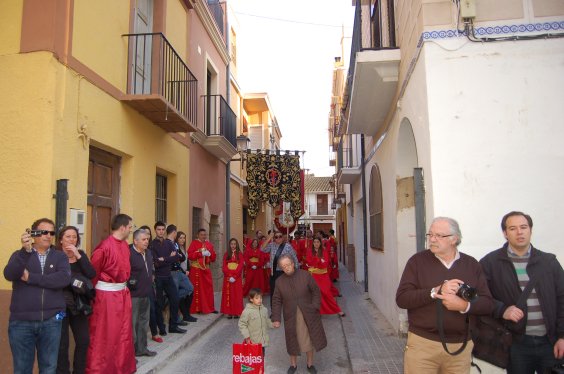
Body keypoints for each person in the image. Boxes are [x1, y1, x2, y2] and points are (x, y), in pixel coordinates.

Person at [396, 216, 493, 374]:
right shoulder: (417, 262)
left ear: (454, 239)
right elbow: (402, 299)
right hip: (423, 345)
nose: (432, 239)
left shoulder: (471, 264)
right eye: (430, 235)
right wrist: (434, 291)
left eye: (439, 236)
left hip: (460, 347)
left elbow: (488, 304)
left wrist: (463, 305)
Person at [480, 211, 564, 373]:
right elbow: (479, 297)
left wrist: (563, 336)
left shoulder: (548, 262)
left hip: (550, 342)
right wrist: (502, 309)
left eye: (523, 227)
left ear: (530, 230)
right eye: (513, 228)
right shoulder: (490, 263)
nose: (519, 232)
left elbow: (563, 298)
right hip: (515, 344)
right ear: (505, 233)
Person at [4, 218, 71, 374]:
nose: (48, 235)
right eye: (43, 232)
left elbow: (63, 279)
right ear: (33, 234)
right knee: (22, 369)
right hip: (21, 322)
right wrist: (24, 252)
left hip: (52, 321)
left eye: (51, 232)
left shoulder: (60, 256)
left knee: (49, 368)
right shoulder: (20, 255)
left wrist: (31, 278)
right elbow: (9, 274)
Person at [86, 214, 136, 374]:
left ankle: (121, 367)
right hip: (106, 299)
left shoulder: (124, 246)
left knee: (123, 334)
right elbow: (93, 274)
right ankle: (100, 369)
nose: (130, 230)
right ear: (122, 227)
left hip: (122, 295)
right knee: (105, 335)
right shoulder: (104, 247)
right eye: (130, 227)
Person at [271, 254, 327, 374]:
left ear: (293, 263)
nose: (286, 268)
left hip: (308, 313)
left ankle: (310, 364)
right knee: (292, 340)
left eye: (288, 264)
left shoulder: (305, 275)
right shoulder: (279, 282)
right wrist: (276, 318)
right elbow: (276, 300)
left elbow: (316, 291)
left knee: (309, 339)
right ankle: (293, 365)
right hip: (290, 315)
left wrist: (315, 306)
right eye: (283, 266)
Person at [56, 226, 96, 374]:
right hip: (60, 307)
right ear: (61, 240)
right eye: (68, 236)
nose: (72, 239)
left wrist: (78, 256)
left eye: (74, 237)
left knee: (83, 340)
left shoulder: (81, 255)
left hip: (78, 306)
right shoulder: (55, 256)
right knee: (62, 343)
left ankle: (79, 371)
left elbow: (91, 273)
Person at [150, 222, 186, 334]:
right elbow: (156, 263)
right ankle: (161, 328)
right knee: (159, 304)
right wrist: (167, 259)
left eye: (162, 229)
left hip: (168, 276)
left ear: (165, 230)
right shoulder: (152, 245)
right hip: (159, 278)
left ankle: (173, 326)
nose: (161, 231)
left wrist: (163, 259)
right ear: (155, 230)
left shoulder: (169, 243)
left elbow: (176, 258)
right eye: (158, 229)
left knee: (175, 300)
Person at [129, 229, 157, 357]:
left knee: (143, 323)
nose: (146, 242)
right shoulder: (129, 254)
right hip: (133, 295)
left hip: (146, 293)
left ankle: (142, 348)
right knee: (132, 324)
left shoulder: (149, 253)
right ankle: (131, 353)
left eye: (147, 239)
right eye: (144, 240)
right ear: (135, 241)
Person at [305, 237, 344, 317]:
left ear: (320, 243)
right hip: (314, 276)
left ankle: (337, 310)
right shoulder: (309, 251)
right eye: (315, 242)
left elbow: (325, 263)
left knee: (327, 293)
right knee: (316, 294)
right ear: (313, 243)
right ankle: (318, 311)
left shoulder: (324, 251)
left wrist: (316, 261)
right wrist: (319, 260)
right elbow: (308, 262)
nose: (316, 243)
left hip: (323, 276)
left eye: (318, 242)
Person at [138, 225, 163, 344]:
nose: (147, 237)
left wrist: (152, 274)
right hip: (137, 287)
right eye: (144, 235)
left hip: (149, 284)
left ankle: (154, 332)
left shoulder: (149, 252)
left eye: (148, 235)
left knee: (152, 308)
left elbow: (152, 265)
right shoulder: (132, 251)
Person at [261, 230, 299, 304]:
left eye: (280, 236)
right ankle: (274, 311)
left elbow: (294, 258)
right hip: (274, 273)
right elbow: (262, 249)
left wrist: (296, 272)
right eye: (276, 237)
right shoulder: (271, 245)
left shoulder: (288, 246)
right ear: (274, 238)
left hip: (284, 272)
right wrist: (269, 238)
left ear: (283, 238)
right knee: (274, 293)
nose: (278, 238)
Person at [168, 226, 197, 323]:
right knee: (184, 294)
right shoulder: (175, 247)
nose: (183, 240)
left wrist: (188, 270)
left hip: (184, 273)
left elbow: (187, 261)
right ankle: (184, 315)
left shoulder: (183, 248)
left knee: (189, 292)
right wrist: (184, 272)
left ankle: (186, 314)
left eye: (184, 238)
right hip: (179, 273)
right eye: (180, 237)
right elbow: (176, 263)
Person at [187, 228, 217, 314]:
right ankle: (198, 309)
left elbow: (213, 258)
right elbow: (190, 256)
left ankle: (209, 308)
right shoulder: (194, 243)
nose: (203, 236)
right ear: (197, 235)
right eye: (201, 235)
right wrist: (200, 253)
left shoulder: (209, 244)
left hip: (206, 270)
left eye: (205, 234)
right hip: (196, 270)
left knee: (208, 289)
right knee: (198, 290)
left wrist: (211, 253)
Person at [239, 288, 276, 357]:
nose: (260, 300)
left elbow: (267, 320)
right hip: (252, 341)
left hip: (262, 342)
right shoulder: (247, 311)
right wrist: (247, 336)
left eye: (261, 298)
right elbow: (242, 324)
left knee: (261, 358)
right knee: (253, 360)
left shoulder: (264, 309)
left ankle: (260, 368)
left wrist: (272, 324)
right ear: (251, 299)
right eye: (257, 298)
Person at [221, 238, 244, 318]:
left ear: (236, 245)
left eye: (234, 244)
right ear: (229, 245)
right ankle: (229, 312)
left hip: (236, 278)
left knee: (236, 295)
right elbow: (224, 267)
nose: (233, 246)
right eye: (231, 244)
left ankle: (236, 312)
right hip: (228, 278)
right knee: (229, 295)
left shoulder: (240, 254)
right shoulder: (226, 254)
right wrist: (229, 275)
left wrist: (234, 276)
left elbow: (240, 266)